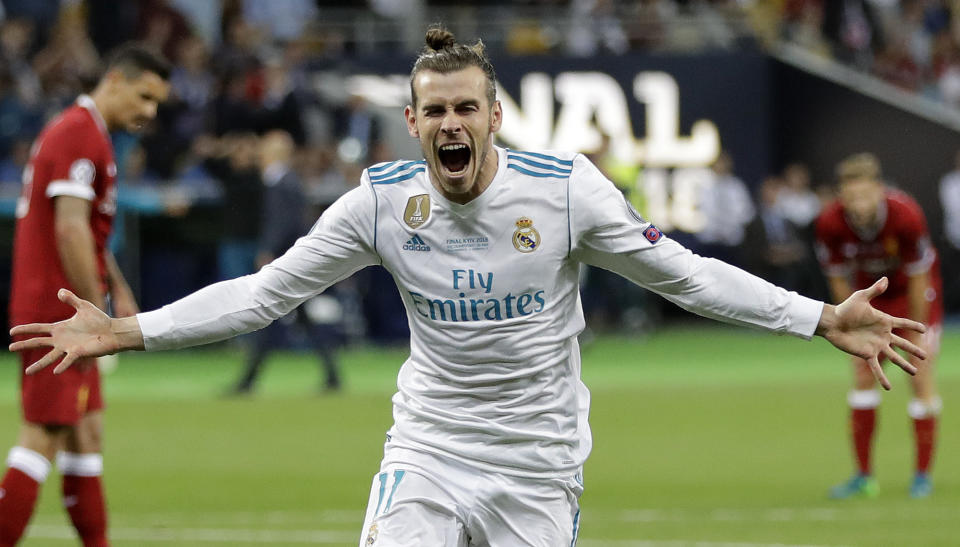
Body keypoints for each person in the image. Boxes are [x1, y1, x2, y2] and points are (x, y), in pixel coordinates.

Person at [10, 29, 926, 547]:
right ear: (412, 122)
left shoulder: (567, 191)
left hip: (538, 462)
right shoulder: (377, 204)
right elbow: (264, 292)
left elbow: (686, 275)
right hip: (431, 450)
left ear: (494, 117)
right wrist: (128, 332)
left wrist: (817, 316)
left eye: (465, 108)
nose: (451, 123)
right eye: (434, 110)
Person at [0, 44, 170, 546]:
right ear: (114, 79)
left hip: (72, 308)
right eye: (143, 96)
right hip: (59, 313)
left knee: (87, 432)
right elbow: (70, 230)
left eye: (156, 103)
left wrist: (117, 288)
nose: (149, 112)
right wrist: (98, 312)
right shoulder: (78, 133)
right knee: (43, 435)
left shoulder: (91, 135)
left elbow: (89, 235)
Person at [815, 153, 943, 499]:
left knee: (920, 373)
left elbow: (919, 277)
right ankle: (864, 476)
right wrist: (851, 326)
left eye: (865, 195)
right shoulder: (829, 223)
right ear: (842, 195)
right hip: (871, 302)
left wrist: (917, 330)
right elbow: (839, 280)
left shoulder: (906, 215)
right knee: (861, 373)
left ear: (879, 190)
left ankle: (921, 475)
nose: (859, 204)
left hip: (913, 298)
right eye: (851, 197)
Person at [228, 130, 342, 395]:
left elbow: (282, 223)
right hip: (293, 262)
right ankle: (332, 375)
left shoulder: (280, 182)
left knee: (269, 318)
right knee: (297, 319)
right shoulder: (287, 181)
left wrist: (268, 250)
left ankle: (248, 380)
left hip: (287, 262)